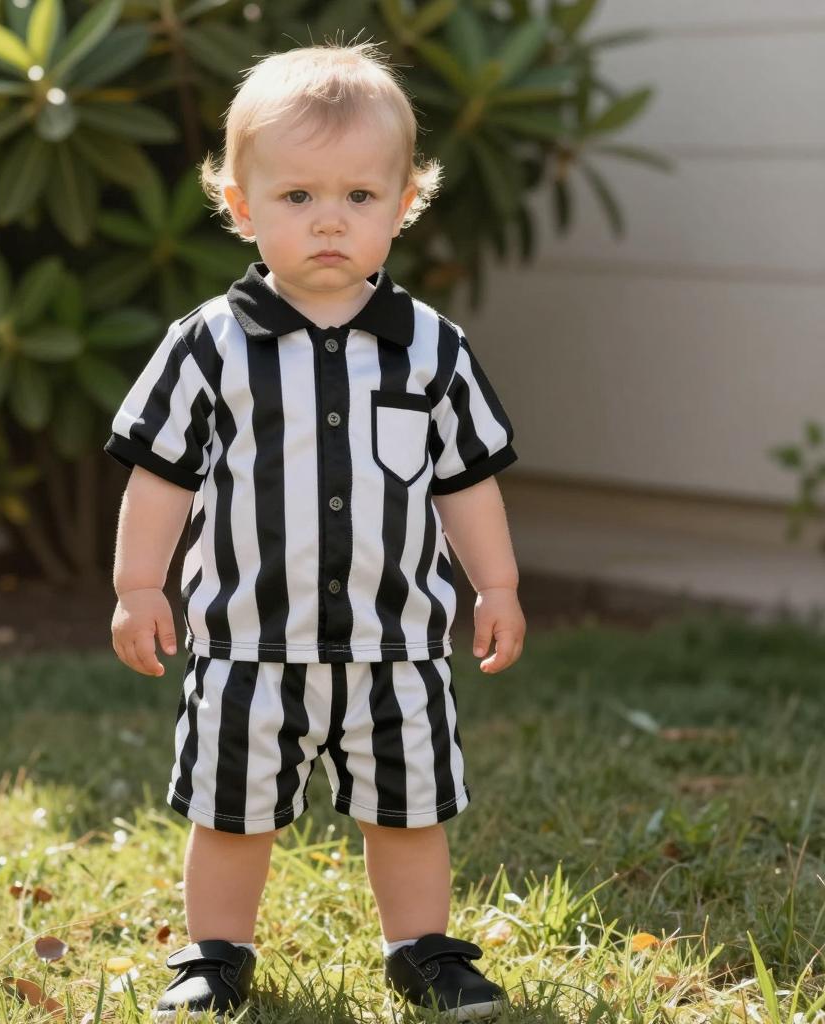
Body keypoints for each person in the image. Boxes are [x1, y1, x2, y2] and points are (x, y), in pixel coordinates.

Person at [104, 39, 526, 1022]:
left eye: (358, 196)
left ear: (403, 205)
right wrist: (137, 584)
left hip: (398, 646)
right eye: (297, 196)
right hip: (246, 645)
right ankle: (215, 955)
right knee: (232, 810)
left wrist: (497, 584)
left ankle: (421, 949)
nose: (329, 219)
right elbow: (160, 476)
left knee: (409, 809)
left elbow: (466, 480)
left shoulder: (431, 349)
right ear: (241, 205)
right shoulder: (208, 346)